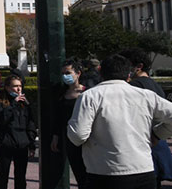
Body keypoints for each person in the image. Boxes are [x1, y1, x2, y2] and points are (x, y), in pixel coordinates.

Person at [68, 54, 172, 189]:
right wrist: (157, 134)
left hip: (104, 171)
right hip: (143, 169)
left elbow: (78, 135)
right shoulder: (146, 96)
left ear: (100, 71)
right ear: (128, 74)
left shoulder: (90, 96)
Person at [121, 48, 172, 188]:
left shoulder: (134, 87)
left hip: (144, 147)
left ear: (139, 66)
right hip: (157, 144)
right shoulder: (154, 84)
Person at [0, 75, 36, 189]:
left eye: (20, 86)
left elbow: (30, 124)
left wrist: (31, 143)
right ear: (7, 87)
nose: (18, 89)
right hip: (6, 144)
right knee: (3, 176)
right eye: (15, 86)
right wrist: (13, 104)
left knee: (20, 177)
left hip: (21, 145)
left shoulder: (24, 104)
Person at [50, 59, 87, 189]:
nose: (65, 76)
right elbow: (58, 117)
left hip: (87, 139)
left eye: (68, 72)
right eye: (63, 73)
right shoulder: (61, 93)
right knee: (78, 172)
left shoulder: (87, 92)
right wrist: (55, 136)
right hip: (69, 138)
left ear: (78, 73)